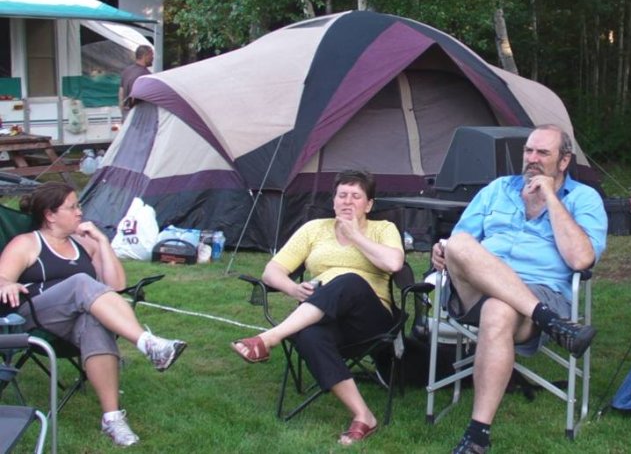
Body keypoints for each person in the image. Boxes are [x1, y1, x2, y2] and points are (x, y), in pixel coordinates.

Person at [430, 124, 607, 454]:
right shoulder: (497, 189)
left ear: (564, 161)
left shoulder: (584, 199)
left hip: (540, 290)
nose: (532, 158)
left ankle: (477, 435)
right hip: (476, 292)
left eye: (543, 152)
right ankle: (551, 322)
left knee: (499, 310)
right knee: (461, 242)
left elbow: (582, 259)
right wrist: (442, 250)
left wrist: (551, 198)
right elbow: (458, 241)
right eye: (528, 150)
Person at [0, 182, 187, 447]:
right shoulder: (27, 243)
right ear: (50, 215)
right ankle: (147, 343)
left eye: (79, 205)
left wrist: (101, 242)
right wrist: (7, 284)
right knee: (80, 282)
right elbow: (2, 277)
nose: (80, 211)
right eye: (72, 207)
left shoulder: (84, 244)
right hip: (36, 315)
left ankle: (112, 419)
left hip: (72, 319)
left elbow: (116, 286)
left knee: (94, 324)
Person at [231, 169, 404, 446]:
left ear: (369, 205)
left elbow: (394, 263)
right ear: (333, 201)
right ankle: (363, 415)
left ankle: (270, 338)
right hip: (324, 316)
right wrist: (293, 289)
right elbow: (271, 271)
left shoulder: (383, 229)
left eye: (356, 196)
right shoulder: (314, 229)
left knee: (348, 281)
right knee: (309, 335)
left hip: (370, 320)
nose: (347, 201)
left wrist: (356, 236)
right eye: (342, 195)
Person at [118, 45, 154, 117]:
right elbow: (136, 95)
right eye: (151, 55)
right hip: (138, 114)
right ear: (145, 56)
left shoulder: (127, 70)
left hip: (126, 113)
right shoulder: (145, 74)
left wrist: (123, 111)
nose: (153, 58)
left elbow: (121, 92)